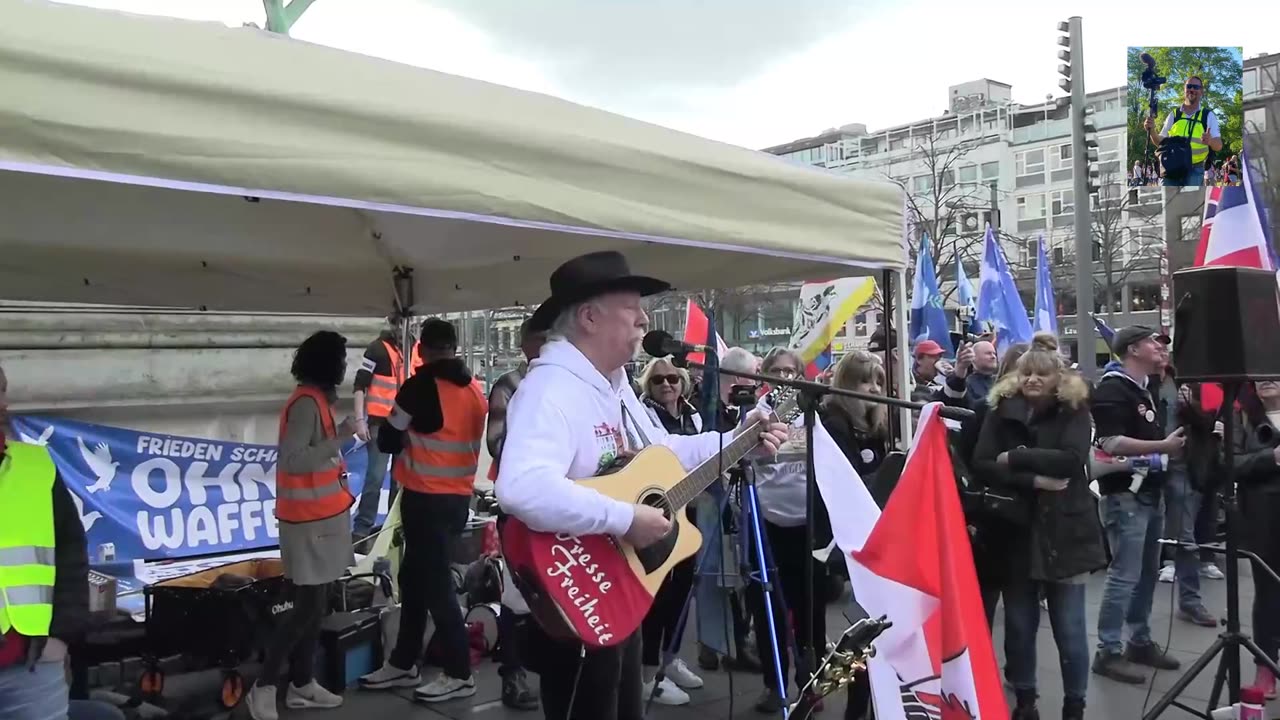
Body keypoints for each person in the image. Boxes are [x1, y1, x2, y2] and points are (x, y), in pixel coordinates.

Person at [494, 250, 788, 720]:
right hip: (575, 596)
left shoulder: (612, 384)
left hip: (616, 584)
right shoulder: (550, 390)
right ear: (590, 317)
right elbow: (521, 488)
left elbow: (662, 454)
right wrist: (627, 517)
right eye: (633, 308)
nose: (644, 319)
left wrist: (737, 441)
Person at [972, 333, 1107, 720]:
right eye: (1026, 373)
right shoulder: (999, 409)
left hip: (1066, 532)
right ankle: (1026, 702)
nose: (1032, 380)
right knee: (1018, 625)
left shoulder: (1075, 409)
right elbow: (982, 463)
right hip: (1015, 531)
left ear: (1057, 378)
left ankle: (1074, 704)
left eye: (1041, 375)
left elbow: (1071, 459)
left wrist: (1013, 457)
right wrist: (1032, 478)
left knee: (1069, 629)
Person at [359, 318, 487, 703]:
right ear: (454, 346)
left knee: (435, 586)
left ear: (424, 349)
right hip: (457, 499)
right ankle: (403, 660)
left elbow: (388, 438)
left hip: (425, 498)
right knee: (413, 580)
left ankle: (459, 671)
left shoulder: (418, 387)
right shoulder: (474, 390)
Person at [246, 331, 354, 720]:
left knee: (316, 604)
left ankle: (302, 683)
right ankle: (264, 686)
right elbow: (292, 460)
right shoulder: (306, 403)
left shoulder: (314, 401)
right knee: (305, 607)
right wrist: (340, 438)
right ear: (327, 364)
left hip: (320, 518)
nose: (345, 367)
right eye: (340, 360)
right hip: (307, 522)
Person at [1091, 326, 1186, 684]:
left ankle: (1139, 640)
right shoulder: (1113, 389)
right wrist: (1163, 447)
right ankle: (1108, 650)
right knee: (1124, 575)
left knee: (1146, 572)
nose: (1160, 347)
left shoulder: (1144, 389)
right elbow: (1110, 443)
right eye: (1153, 342)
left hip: (1148, 493)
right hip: (1125, 496)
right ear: (1132, 350)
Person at [0, 362, 90, 720]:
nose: (2, 403)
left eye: (3, 390)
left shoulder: (35, 466)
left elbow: (71, 552)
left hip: (33, 670)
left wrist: (62, 635)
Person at [745, 348, 828, 714]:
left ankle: (811, 685)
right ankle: (772, 683)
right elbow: (741, 460)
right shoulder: (754, 414)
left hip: (808, 525)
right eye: (776, 371)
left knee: (811, 610)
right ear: (764, 375)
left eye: (791, 371)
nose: (784, 377)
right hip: (767, 525)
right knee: (769, 611)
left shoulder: (814, 412)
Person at [820, 350, 888, 720]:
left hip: (878, 538)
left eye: (878, 380)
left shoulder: (876, 426)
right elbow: (844, 485)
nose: (874, 388)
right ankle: (856, 708)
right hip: (850, 540)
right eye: (865, 380)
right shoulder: (834, 424)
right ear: (847, 383)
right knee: (864, 632)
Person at [486, 318, 547, 711]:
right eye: (542, 341)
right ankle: (512, 675)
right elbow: (496, 443)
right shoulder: (509, 385)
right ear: (527, 345)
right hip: (522, 504)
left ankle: (544, 667)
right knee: (516, 592)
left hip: (558, 505)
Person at [636, 358, 704, 705]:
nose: (667, 384)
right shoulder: (643, 414)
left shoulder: (693, 416)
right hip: (659, 514)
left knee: (682, 594)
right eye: (658, 379)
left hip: (689, 512)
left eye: (673, 378)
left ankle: (670, 658)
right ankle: (648, 673)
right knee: (659, 596)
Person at [350, 315, 419, 545]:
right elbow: (360, 385)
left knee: (400, 479)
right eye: (397, 322)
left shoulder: (413, 347)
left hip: (405, 423)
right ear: (391, 323)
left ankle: (393, 525)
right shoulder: (376, 349)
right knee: (375, 478)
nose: (401, 328)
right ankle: (362, 528)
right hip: (380, 424)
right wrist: (360, 420)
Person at [1231, 381, 1280, 699]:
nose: (1266, 379)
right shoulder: (1242, 418)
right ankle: (1266, 667)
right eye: (1259, 374)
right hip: (1263, 517)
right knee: (1267, 592)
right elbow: (1228, 464)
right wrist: (1271, 458)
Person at [1144, 75, 1223, 187]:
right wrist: (1152, 131)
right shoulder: (1174, 114)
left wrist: (1210, 141)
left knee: (1191, 203)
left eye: (1196, 87)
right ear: (1184, 89)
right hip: (1171, 168)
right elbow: (1160, 142)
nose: (1192, 89)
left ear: (1201, 91)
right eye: (1189, 86)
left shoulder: (1208, 116)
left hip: (1195, 169)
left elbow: (1219, 145)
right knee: (1167, 203)